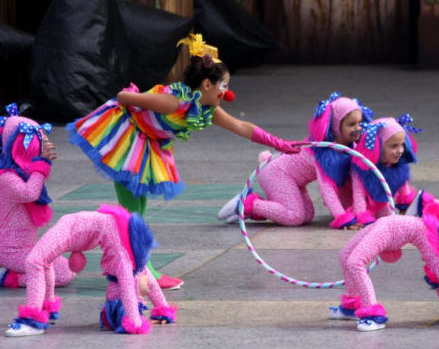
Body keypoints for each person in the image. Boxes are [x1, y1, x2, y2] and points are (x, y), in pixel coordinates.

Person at [66, 34, 300, 289]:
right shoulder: (173, 102)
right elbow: (123, 98)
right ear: (208, 85)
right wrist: (133, 97)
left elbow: (241, 126)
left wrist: (279, 143)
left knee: (137, 211)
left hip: (150, 145)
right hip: (126, 142)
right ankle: (138, 272)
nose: (227, 92)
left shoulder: (205, 109)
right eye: (223, 86)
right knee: (132, 213)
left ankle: (140, 270)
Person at [5, 204, 177, 337]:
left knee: (37, 261)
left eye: (143, 294)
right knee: (39, 261)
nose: (146, 290)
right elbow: (135, 288)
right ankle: (41, 314)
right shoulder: (133, 262)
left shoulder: (128, 259)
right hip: (73, 228)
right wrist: (154, 314)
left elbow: (133, 289)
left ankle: (34, 320)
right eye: (144, 293)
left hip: (73, 228)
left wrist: (147, 318)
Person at [328, 203, 439, 332]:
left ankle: (374, 315)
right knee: (345, 256)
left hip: (389, 228)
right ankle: (351, 306)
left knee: (354, 262)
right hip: (387, 224)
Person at [218, 92, 372, 229]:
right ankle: (247, 204)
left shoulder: (348, 147)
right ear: (335, 127)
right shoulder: (321, 152)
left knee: (307, 216)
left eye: (359, 123)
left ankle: (256, 209)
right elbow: (327, 190)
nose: (357, 128)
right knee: (295, 216)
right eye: (351, 124)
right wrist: (342, 218)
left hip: (293, 179)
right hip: (277, 173)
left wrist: (358, 211)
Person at [0, 104, 76, 288]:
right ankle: (16, 277)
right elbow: (30, 193)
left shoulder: (21, 173)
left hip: (24, 248)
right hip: (9, 251)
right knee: (60, 275)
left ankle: (17, 273)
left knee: (66, 269)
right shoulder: (6, 178)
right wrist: (41, 164)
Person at [350, 114, 439, 224]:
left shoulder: (398, 166)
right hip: (366, 207)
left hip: (383, 206)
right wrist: (362, 217)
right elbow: (359, 197)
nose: (400, 150)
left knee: (428, 206)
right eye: (394, 146)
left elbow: (403, 189)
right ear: (378, 146)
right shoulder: (362, 168)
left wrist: (406, 206)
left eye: (402, 145)